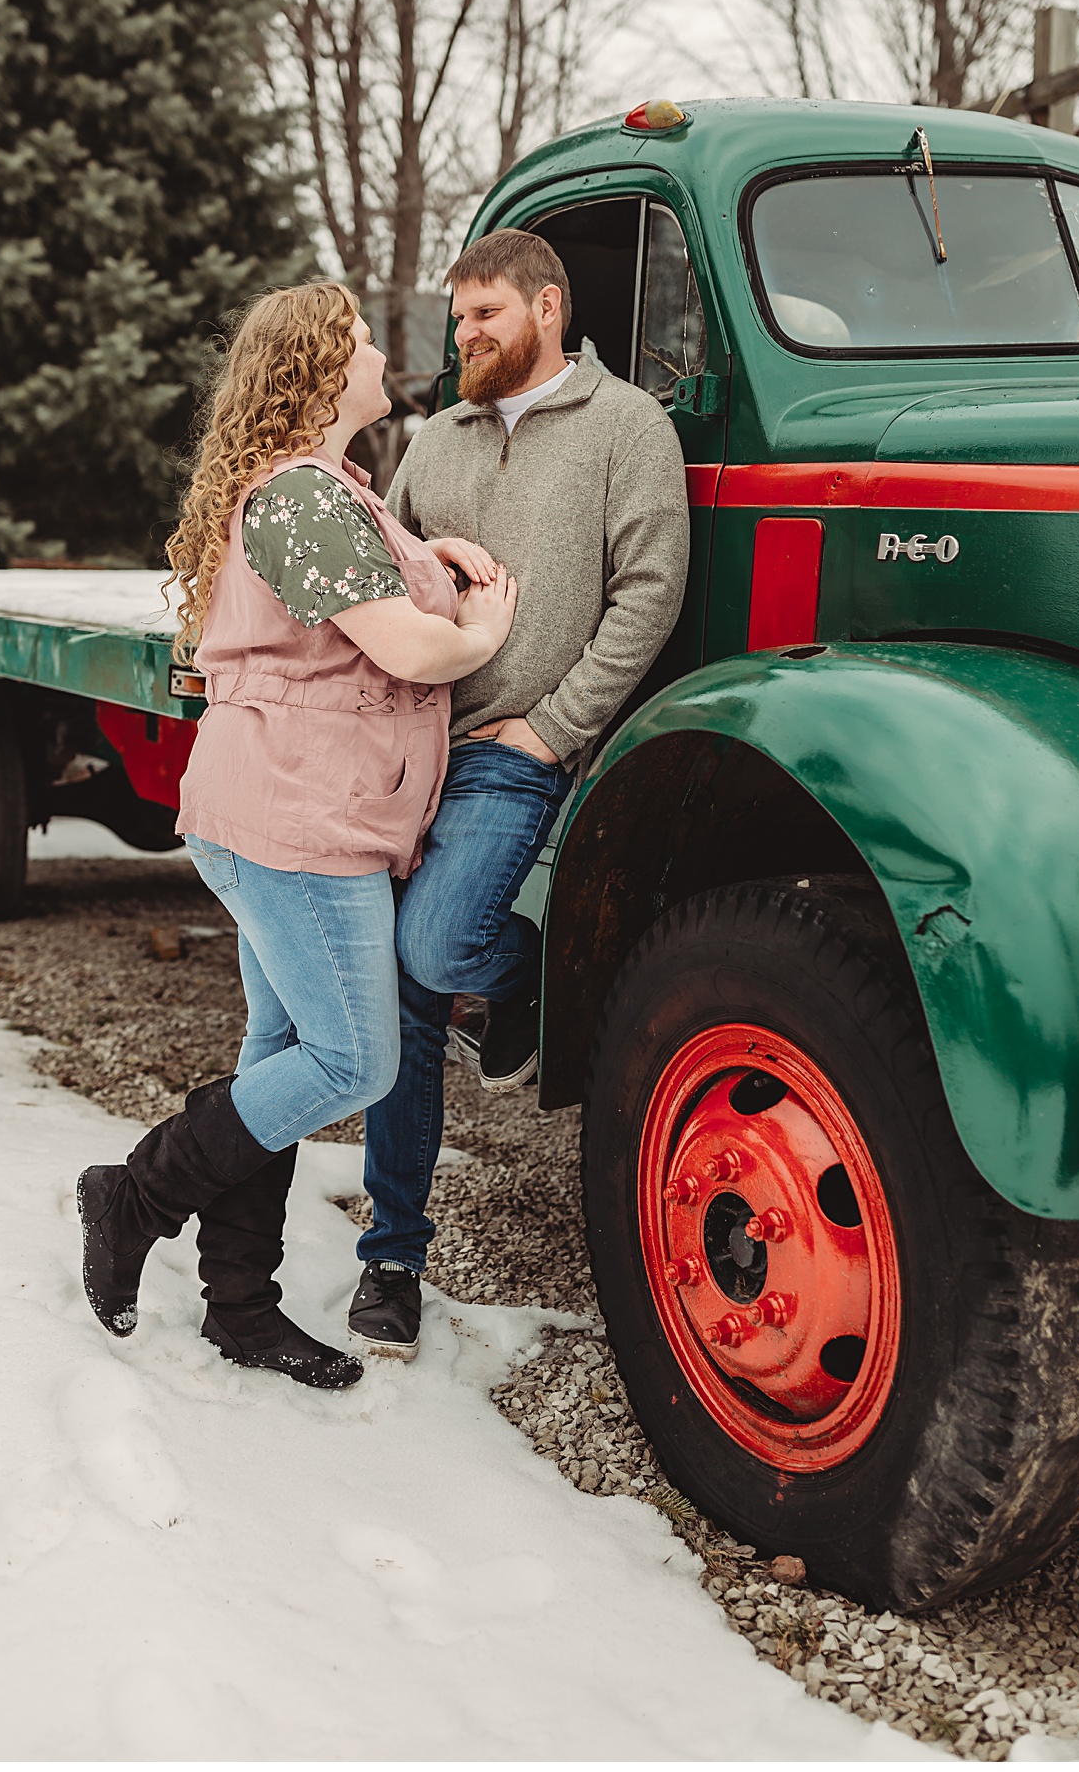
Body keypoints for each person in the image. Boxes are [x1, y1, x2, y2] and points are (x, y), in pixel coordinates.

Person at [77, 282, 516, 1389]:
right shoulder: (298, 502)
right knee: (355, 1058)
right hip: (296, 823)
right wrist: (482, 624)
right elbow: (409, 653)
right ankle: (131, 1194)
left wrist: (432, 558)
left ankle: (239, 1305)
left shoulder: (326, 495)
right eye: (365, 339)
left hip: (300, 811)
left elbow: (363, 609)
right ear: (323, 372)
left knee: (279, 1056)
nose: (381, 351)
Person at [347, 228, 690, 1360]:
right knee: (393, 980)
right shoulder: (436, 438)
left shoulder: (627, 428)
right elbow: (381, 562)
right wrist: (424, 540)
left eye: (486, 312)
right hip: (415, 737)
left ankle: (523, 984)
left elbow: (648, 594)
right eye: (458, 317)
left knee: (436, 950)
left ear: (549, 308)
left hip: (514, 744)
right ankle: (392, 1258)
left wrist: (554, 725)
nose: (466, 334)